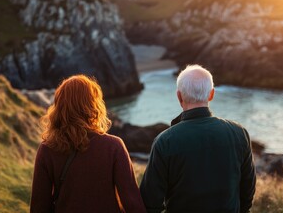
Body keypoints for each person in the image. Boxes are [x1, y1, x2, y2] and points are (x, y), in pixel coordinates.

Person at [140, 65, 256, 213]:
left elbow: (149, 202)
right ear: (211, 94)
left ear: (179, 96)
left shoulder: (164, 141)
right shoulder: (239, 133)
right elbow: (247, 191)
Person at [30, 75, 146, 213]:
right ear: (92, 105)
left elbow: (39, 206)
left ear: (59, 107)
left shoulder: (47, 149)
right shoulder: (113, 146)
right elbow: (132, 203)